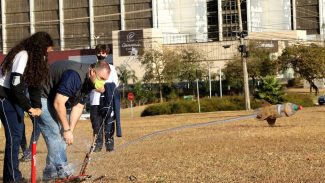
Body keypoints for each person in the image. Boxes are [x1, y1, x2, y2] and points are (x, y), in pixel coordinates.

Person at [36, 59, 110, 181]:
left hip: (53, 97)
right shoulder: (74, 76)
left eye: (105, 80)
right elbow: (59, 103)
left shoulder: (89, 81)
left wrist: (70, 130)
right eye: (101, 79)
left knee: (60, 136)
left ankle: (49, 173)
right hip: (40, 95)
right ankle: (64, 173)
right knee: (54, 132)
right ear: (92, 72)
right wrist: (66, 129)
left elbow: (79, 106)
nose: (102, 84)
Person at [0, 32, 54, 183]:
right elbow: (15, 84)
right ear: (39, 48)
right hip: (4, 96)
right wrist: (29, 108)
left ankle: (11, 177)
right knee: (14, 136)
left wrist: (37, 106)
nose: (47, 55)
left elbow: (35, 85)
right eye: (46, 51)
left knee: (17, 136)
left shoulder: (37, 59)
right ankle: (13, 178)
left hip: (14, 97)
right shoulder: (23, 55)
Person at [89, 44, 120, 152]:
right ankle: (97, 145)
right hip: (95, 101)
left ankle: (109, 143)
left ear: (106, 54)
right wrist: (98, 87)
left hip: (108, 101)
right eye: (98, 52)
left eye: (103, 52)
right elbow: (90, 84)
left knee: (109, 123)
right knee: (96, 124)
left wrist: (104, 88)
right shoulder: (91, 67)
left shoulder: (111, 68)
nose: (100, 54)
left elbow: (115, 84)